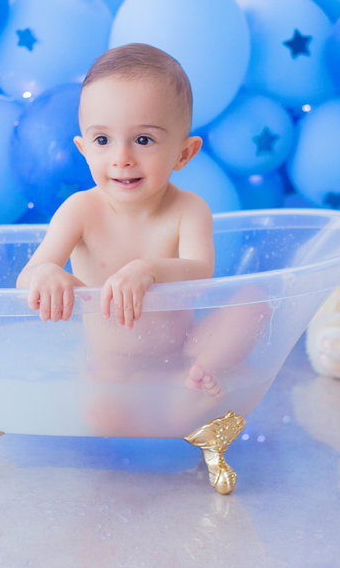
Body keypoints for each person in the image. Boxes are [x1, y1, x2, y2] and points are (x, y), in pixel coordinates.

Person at [15, 43, 222, 407]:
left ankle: (199, 374)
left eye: (143, 140)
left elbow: (201, 275)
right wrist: (47, 273)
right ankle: (177, 399)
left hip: (183, 353)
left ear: (184, 153)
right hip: (112, 368)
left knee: (255, 303)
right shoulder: (80, 210)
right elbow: (25, 279)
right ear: (83, 149)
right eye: (102, 140)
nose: (121, 158)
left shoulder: (189, 209)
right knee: (103, 416)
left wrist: (147, 271)